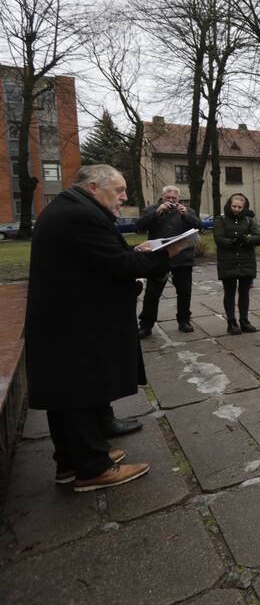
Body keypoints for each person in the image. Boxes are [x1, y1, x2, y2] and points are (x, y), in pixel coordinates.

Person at [27, 164, 193, 491]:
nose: (124, 197)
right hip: (74, 324)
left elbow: (95, 260)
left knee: (70, 395)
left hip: (65, 320)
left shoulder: (70, 209)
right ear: (93, 187)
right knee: (80, 392)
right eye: (118, 190)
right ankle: (93, 467)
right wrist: (168, 253)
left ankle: (72, 462)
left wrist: (133, 251)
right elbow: (118, 267)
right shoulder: (80, 215)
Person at [136, 185, 203, 337]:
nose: (171, 201)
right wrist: (157, 212)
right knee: (153, 293)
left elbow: (199, 227)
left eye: (174, 198)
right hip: (158, 259)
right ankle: (146, 324)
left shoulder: (187, 210)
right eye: (168, 198)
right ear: (162, 197)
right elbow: (139, 227)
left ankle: (184, 320)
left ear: (178, 199)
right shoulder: (153, 209)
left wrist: (187, 216)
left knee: (184, 292)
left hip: (183, 258)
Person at [213, 193, 260, 335]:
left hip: (246, 261)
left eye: (240, 207)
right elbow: (219, 239)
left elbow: (259, 238)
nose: (236, 209)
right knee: (229, 292)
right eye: (234, 206)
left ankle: (244, 320)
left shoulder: (249, 220)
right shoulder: (220, 219)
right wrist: (234, 242)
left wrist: (247, 239)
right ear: (229, 205)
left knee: (244, 292)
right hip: (227, 261)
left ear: (244, 207)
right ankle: (231, 322)